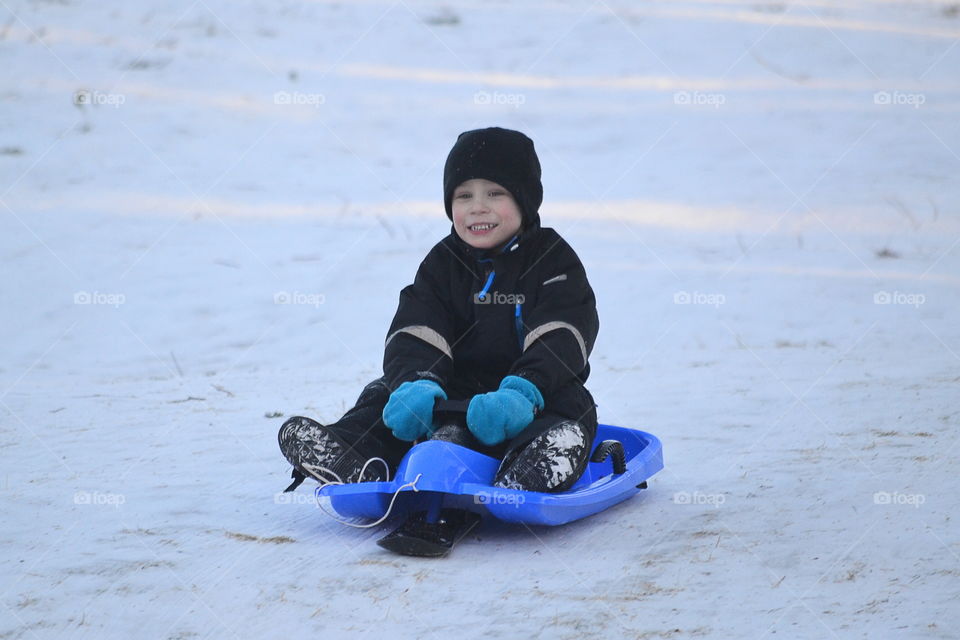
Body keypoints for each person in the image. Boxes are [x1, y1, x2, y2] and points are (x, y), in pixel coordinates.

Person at [278, 127, 599, 495]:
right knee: (381, 396)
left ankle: (532, 463)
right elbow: (417, 327)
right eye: (464, 196)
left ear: (525, 200)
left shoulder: (551, 258)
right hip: (447, 393)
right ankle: (355, 455)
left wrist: (524, 391)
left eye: (495, 193)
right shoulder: (443, 262)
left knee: (572, 405)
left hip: (527, 397)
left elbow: (563, 330)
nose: (478, 206)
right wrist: (417, 383)